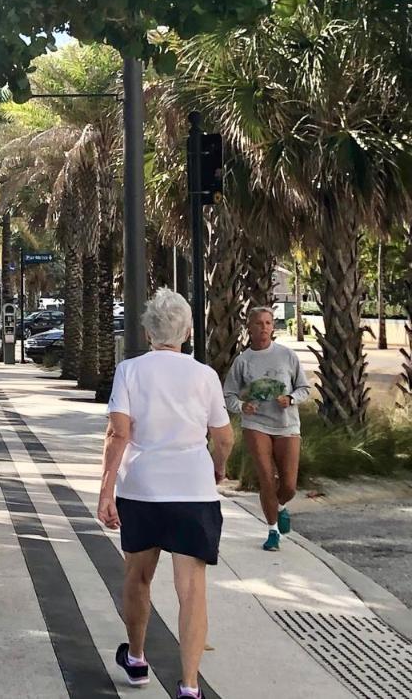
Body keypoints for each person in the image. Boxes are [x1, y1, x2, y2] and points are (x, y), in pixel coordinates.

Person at [97, 289, 235, 699]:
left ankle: (137, 658)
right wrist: (218, 467)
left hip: (141, 488)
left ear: (146, 331)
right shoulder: (204, 376)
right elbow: (223, 437)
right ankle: (189, 685)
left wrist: (106, 490)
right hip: (192, 491)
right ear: (188, 331)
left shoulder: (130, 371)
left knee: (138, 576)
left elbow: (118, 433)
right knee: (191, 590)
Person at [223, 306, 311, 551]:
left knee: (289, 486)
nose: (264, 328)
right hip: (256, 424)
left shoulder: (287, 356)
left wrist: (291, 399)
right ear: (249, 328)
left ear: (273, 327)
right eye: (259, 323)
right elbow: (228, 394)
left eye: (268, 323)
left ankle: (281, 506)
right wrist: (242, 406)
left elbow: (304, 388)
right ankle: (272, 530)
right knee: (266, 478)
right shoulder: (243, 361)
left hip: (286, 424)